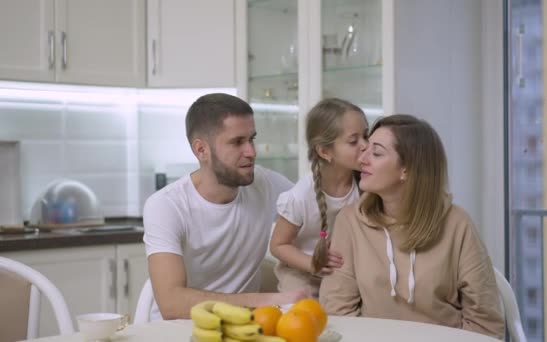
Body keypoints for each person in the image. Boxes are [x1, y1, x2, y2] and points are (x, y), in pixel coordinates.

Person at [319, 114, 505, 339]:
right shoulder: (349, 221)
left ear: (406, 169)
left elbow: (486, 324)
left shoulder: (457, 224)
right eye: (365, 149)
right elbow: (338, 314)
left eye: (376, 153)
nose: (362, 159)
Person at [143, 93, 308, 320]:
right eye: (237, 142)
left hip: (242, 328)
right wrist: (265, 301)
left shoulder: (265, 184)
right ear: (201, 150)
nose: (251, 152)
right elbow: (171, 304)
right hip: (177, 331)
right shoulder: (166, 206)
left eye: (252, 139)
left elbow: (316, 210)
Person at [269, 98, 368, 298]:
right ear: (324, 151)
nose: (366, 146)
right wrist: (312, 264)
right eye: (353, 141)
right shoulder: (301, 196)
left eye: (367, 136)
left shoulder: (365, 186)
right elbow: (278, 245)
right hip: (302, 274)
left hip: (343, 274)